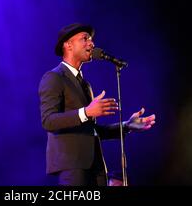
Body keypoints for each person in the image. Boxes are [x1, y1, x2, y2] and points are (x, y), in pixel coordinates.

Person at [38, 23, 156, 186]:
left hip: (97, 166)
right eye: (85, 39)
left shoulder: (85, 84)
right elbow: (48, 121)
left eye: (91, 40)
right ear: (68, 45)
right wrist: (86, 112)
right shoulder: (54, 77)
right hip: (72, 165)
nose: (91, 44)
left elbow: (92, 130)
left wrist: (127, 126)